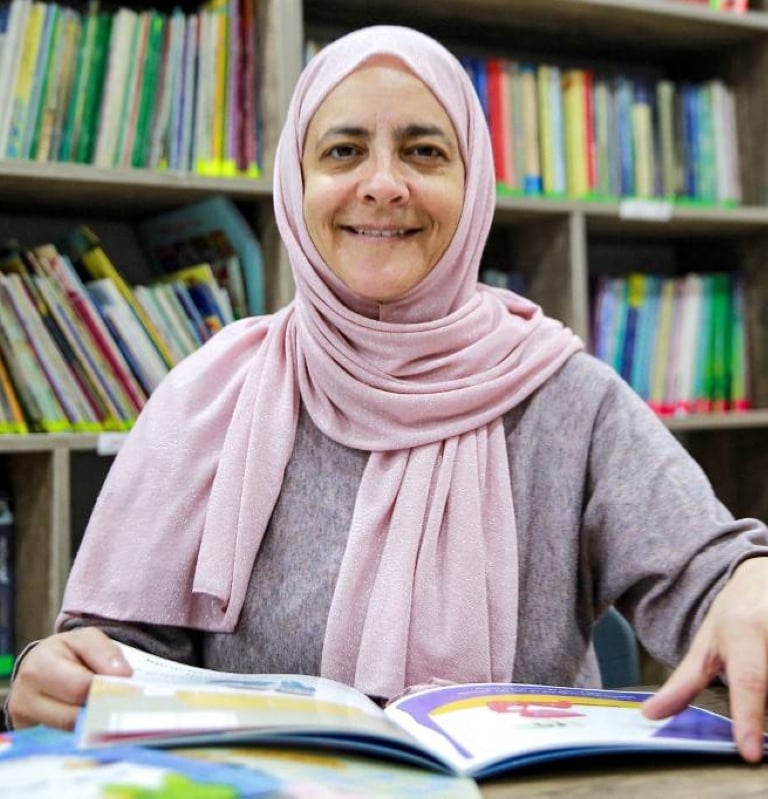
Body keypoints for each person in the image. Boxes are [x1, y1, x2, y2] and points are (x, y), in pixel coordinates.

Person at [6, 26, 768, 763]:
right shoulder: (212, 393)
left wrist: (749, 584)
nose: (382, 185)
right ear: (296, 183)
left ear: (473, 185)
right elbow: (118, 664)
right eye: (343, 151)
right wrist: (60, 675)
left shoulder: (569, 395)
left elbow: (707, 572)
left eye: (423, 151)